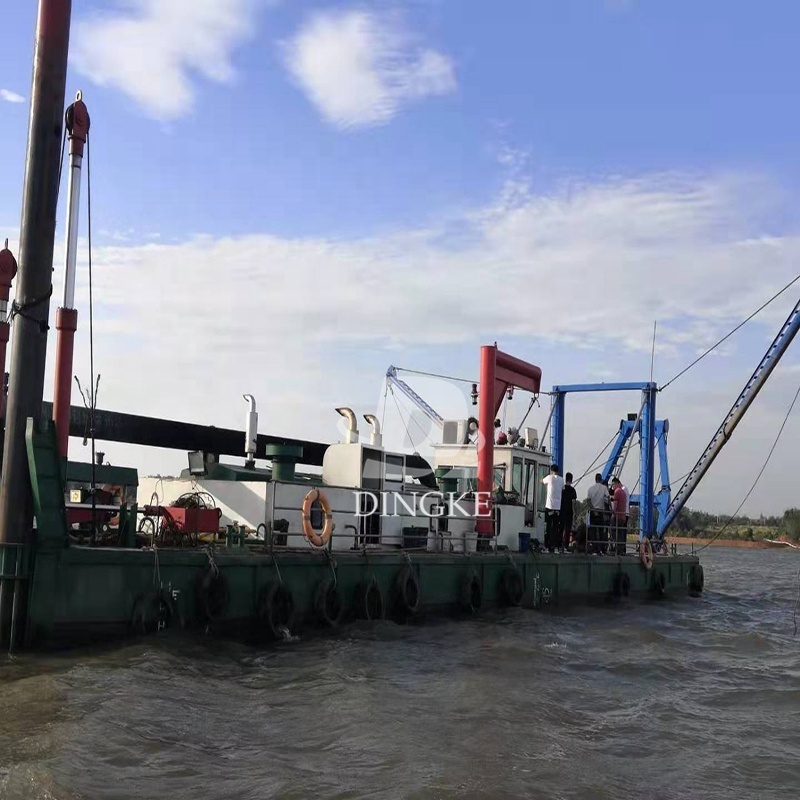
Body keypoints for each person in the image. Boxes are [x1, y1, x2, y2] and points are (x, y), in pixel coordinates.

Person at [541, 464, 564, 552]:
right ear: (558, 471)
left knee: (548, 527)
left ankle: (547, 546)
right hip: (557, 507)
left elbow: (542, 481)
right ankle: (554, 546)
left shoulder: (549, 477)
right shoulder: (561, 480)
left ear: (551, 470)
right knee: (555, 527)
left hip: (549, 506)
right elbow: (563, 488)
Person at [586, 473, 609, 554]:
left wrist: (593, 509)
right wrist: (610, 507)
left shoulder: (590, 489)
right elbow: (608, 497)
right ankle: (602, 549)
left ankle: (595, 548)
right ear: (601, 479)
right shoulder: (604, 488)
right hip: (601, 511)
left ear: (595, 479)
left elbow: (588, 501)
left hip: (593, 511)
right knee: (601, 531)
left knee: (593, 531)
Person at [610, 477, 629, 555]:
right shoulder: (623, 492)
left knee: (613, 530)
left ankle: (616, 548)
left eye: (613, 485)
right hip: (623, 515)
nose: (613, 487)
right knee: (621, 533)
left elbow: (616, 504)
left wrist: (613, 512)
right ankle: (621, 549)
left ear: (616, 483)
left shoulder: (617, 491)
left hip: (617, 516)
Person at [560, 472, 577, 552]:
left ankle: (559, 544)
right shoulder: (573, 490)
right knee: (567, 529)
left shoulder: (562, 489)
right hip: (569, 511)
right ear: (571, 480)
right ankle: (566, 545)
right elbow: (573, 502)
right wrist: (575, 513)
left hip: (562, 510)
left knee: (561, 527)